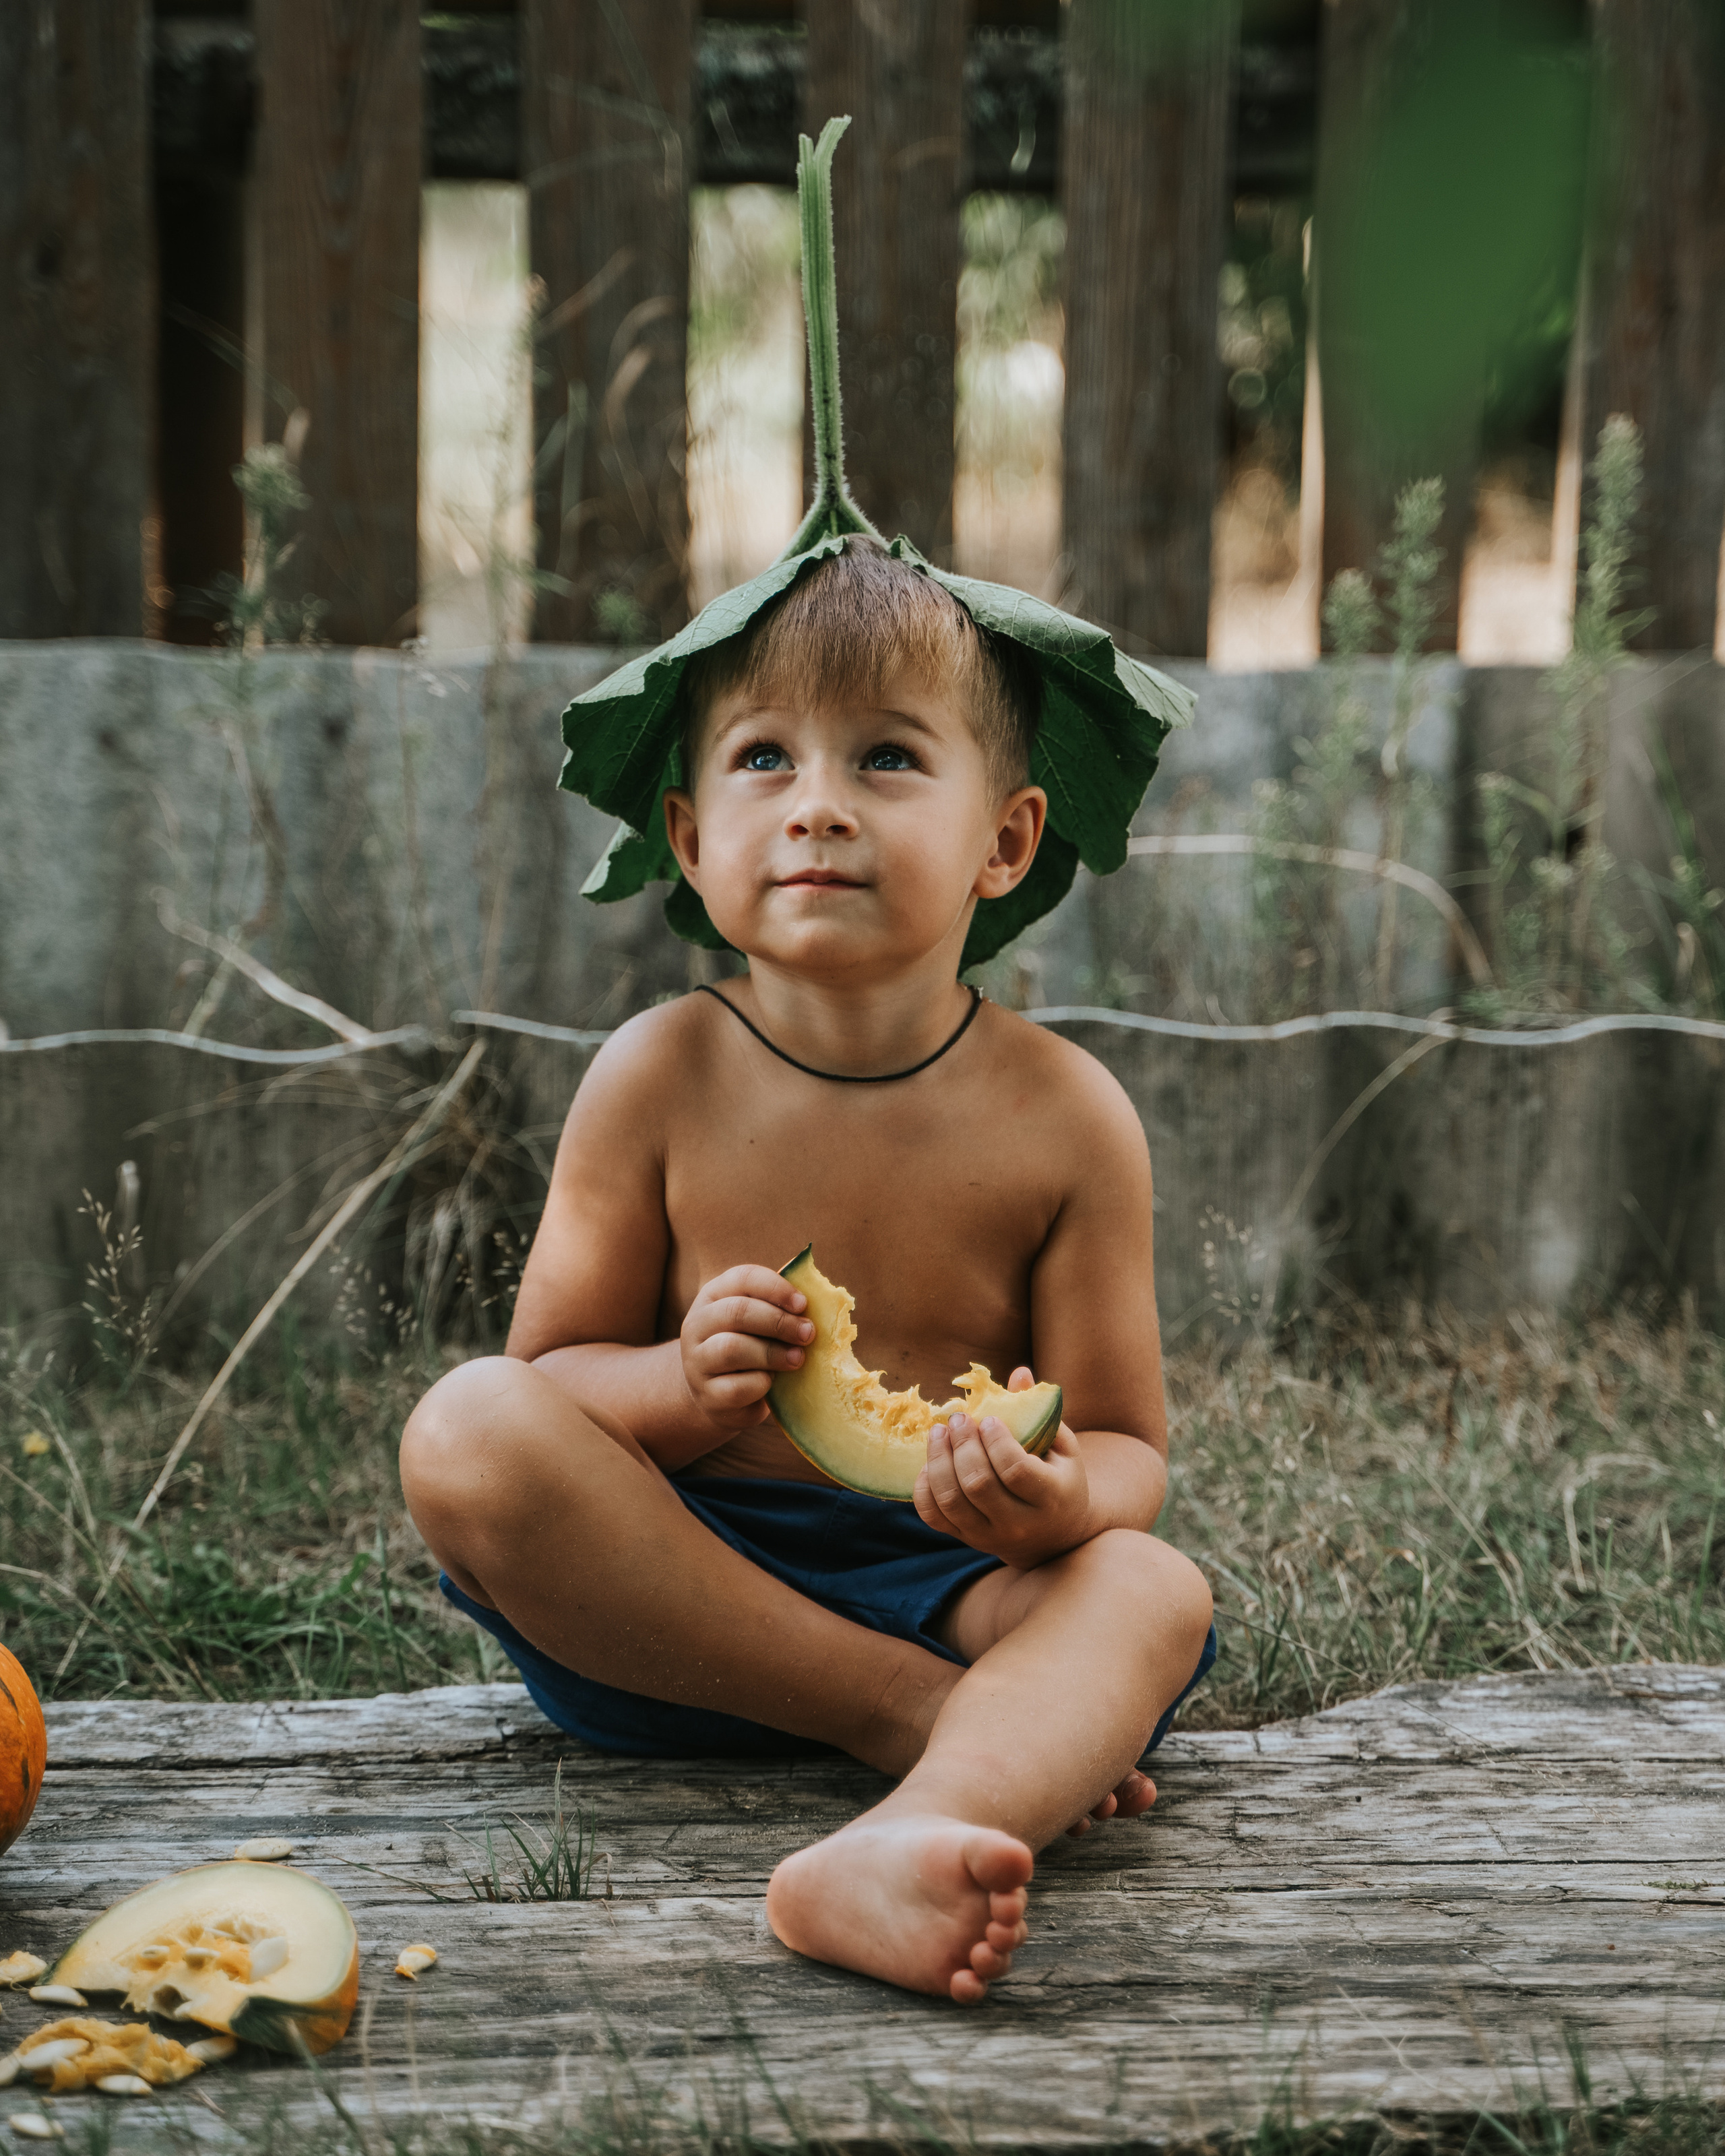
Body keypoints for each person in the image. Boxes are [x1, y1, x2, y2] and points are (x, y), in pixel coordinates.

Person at [400, 538, 1216, 2004]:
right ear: (689, 835)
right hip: (671, 1605)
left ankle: (903, 1846)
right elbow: (549, 1384)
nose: (818, 805)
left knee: (1149, 1589)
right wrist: (677, 1387)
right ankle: (926, 1730)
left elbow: (1128, 1446)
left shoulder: (1067, 1116)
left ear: (1006, 842)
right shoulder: (653, 1075)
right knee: (462, 1426)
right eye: (762, 757)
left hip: (956, 1586)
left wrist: (1054, 1495)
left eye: (888, 758)